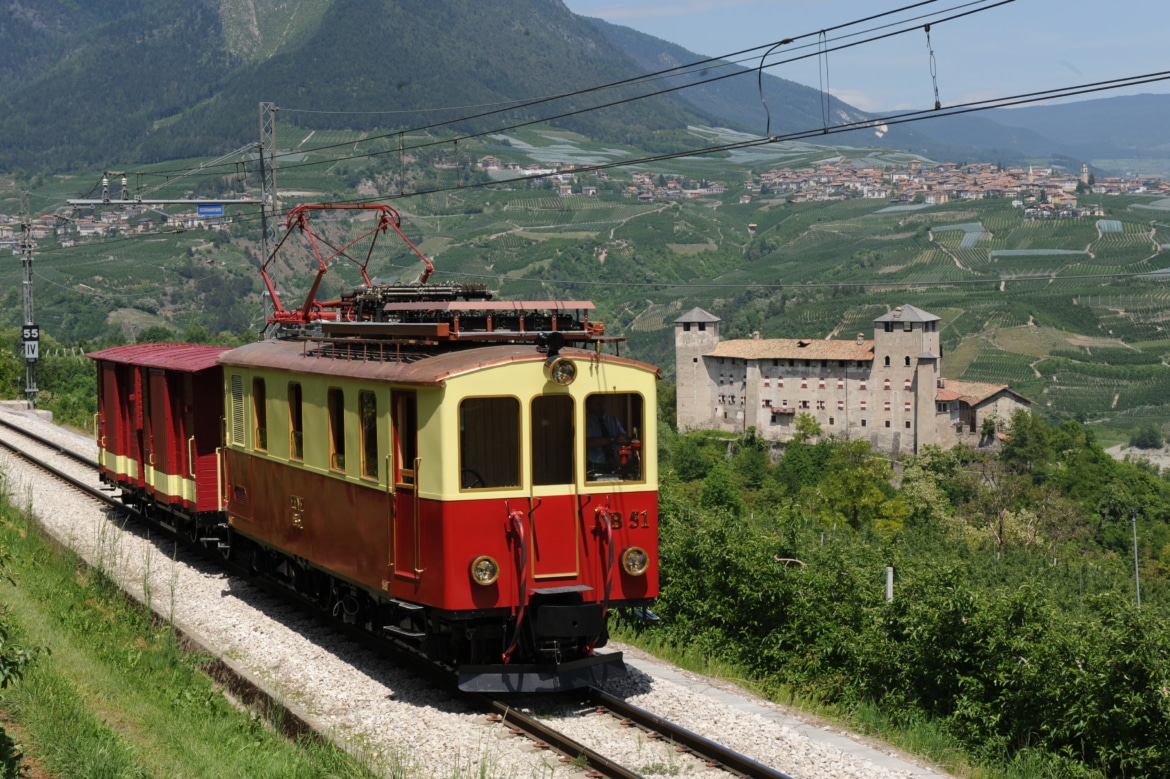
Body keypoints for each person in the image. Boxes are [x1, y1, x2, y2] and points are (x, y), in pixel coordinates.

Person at [585, 395, 628, 473]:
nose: (601, 407)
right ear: (589, 406)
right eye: (598, 404)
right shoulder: (585, 421)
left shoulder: (613, 420)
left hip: (614, 463)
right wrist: (612, 439)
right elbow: (588, 442)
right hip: (594, 465)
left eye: (603, 403)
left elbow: (623, 436)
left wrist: (623, 438)